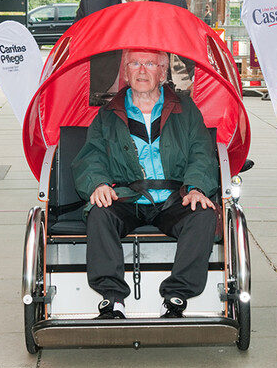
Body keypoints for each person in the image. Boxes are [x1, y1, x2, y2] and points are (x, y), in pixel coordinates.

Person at [72, 48, 218, 319]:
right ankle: (113, 299)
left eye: (150, 63)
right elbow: (90, 156)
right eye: (134, 63)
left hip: (175, 198)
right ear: (125, 72)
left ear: (162, 72)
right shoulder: (107, 114)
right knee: (99, 211)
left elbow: (202, 153)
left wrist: (196, 187)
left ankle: (176, 296)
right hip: (127, 197)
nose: (141, 70)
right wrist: (99, 184)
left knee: (204, 213)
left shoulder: (186, 111)